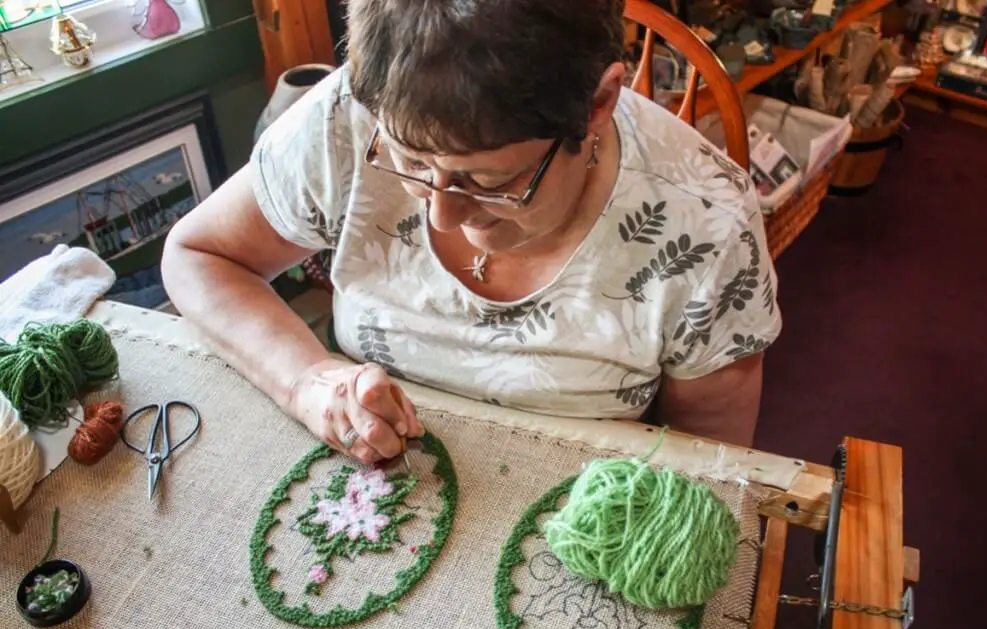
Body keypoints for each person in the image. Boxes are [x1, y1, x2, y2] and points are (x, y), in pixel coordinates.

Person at [161, 0, 782, 465]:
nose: (440, 216)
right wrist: (305, 379)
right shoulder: (346, 120)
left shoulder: (705, 227)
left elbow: (708, 468)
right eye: (409, 163)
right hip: (372, 479)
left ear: (598, 104)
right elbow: (197, 255)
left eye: (488, 181)